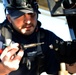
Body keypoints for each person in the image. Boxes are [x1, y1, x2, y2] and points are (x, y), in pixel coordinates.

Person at [0, 0, 64, 75]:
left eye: (32, 14)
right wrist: (4, 69)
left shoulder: (47, 38)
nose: (28, 21)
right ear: (9, 18)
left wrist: (71, 61)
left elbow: (68, 68)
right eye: (21, 15)